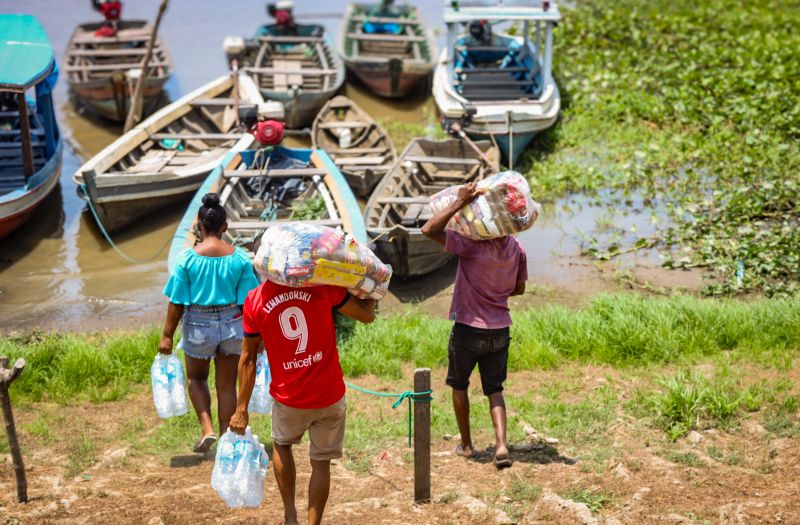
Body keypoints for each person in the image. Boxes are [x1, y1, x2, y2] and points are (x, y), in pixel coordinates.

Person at [230, 281, 376, 525]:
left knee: (282, 444)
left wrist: (241, 408)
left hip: (290, 398)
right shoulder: (321, 286)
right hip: (329, 395)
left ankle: (290, 516)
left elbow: (248, 357)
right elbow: (367, 316)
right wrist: (371, 287)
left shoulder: (255, 299)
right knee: (321, 462)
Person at [421, 181, 528, 469]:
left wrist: (458, 202)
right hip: (500, 330)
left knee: (459, 386)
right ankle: (502, 445)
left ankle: (467, 446)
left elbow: (429, 229)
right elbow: (518, 289)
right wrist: (496, 288)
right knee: (495, 389)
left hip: (469, 329)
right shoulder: (516, 248)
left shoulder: (471, 245)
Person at [159, 193, 259, 453]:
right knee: (226, 385)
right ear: (225, 227)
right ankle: (227, 440)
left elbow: (177, 301)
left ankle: (208, 430)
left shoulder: (187, 259)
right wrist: (259, 336)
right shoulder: (239, 259)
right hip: (233, 324)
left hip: (198, 325)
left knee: (196, 378)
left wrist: (167, 335)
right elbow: (248, 301)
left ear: (199, 227)